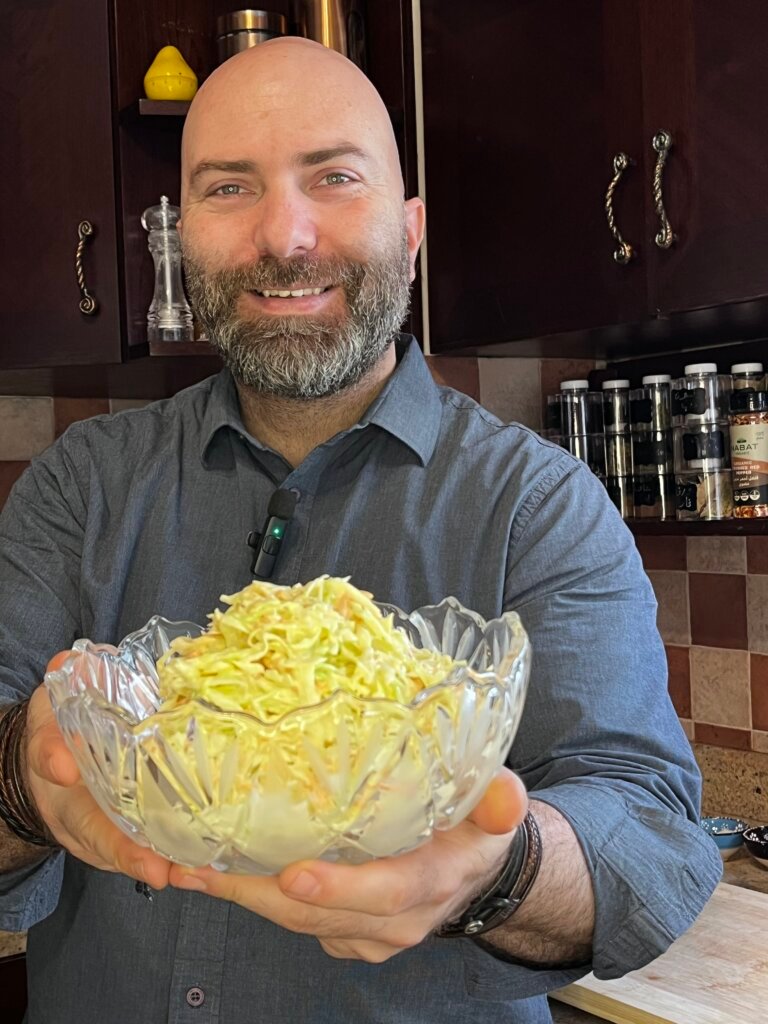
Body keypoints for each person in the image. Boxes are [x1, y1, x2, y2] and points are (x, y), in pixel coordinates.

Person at [0, 37, 720, 1024]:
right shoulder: (77, 487)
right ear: (176, 233)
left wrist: (495, 871)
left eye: (333, 176)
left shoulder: (539, 505)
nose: (284, 234)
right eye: (227, 188)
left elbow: (652, 839)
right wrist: (23, 781)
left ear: (412, 227)